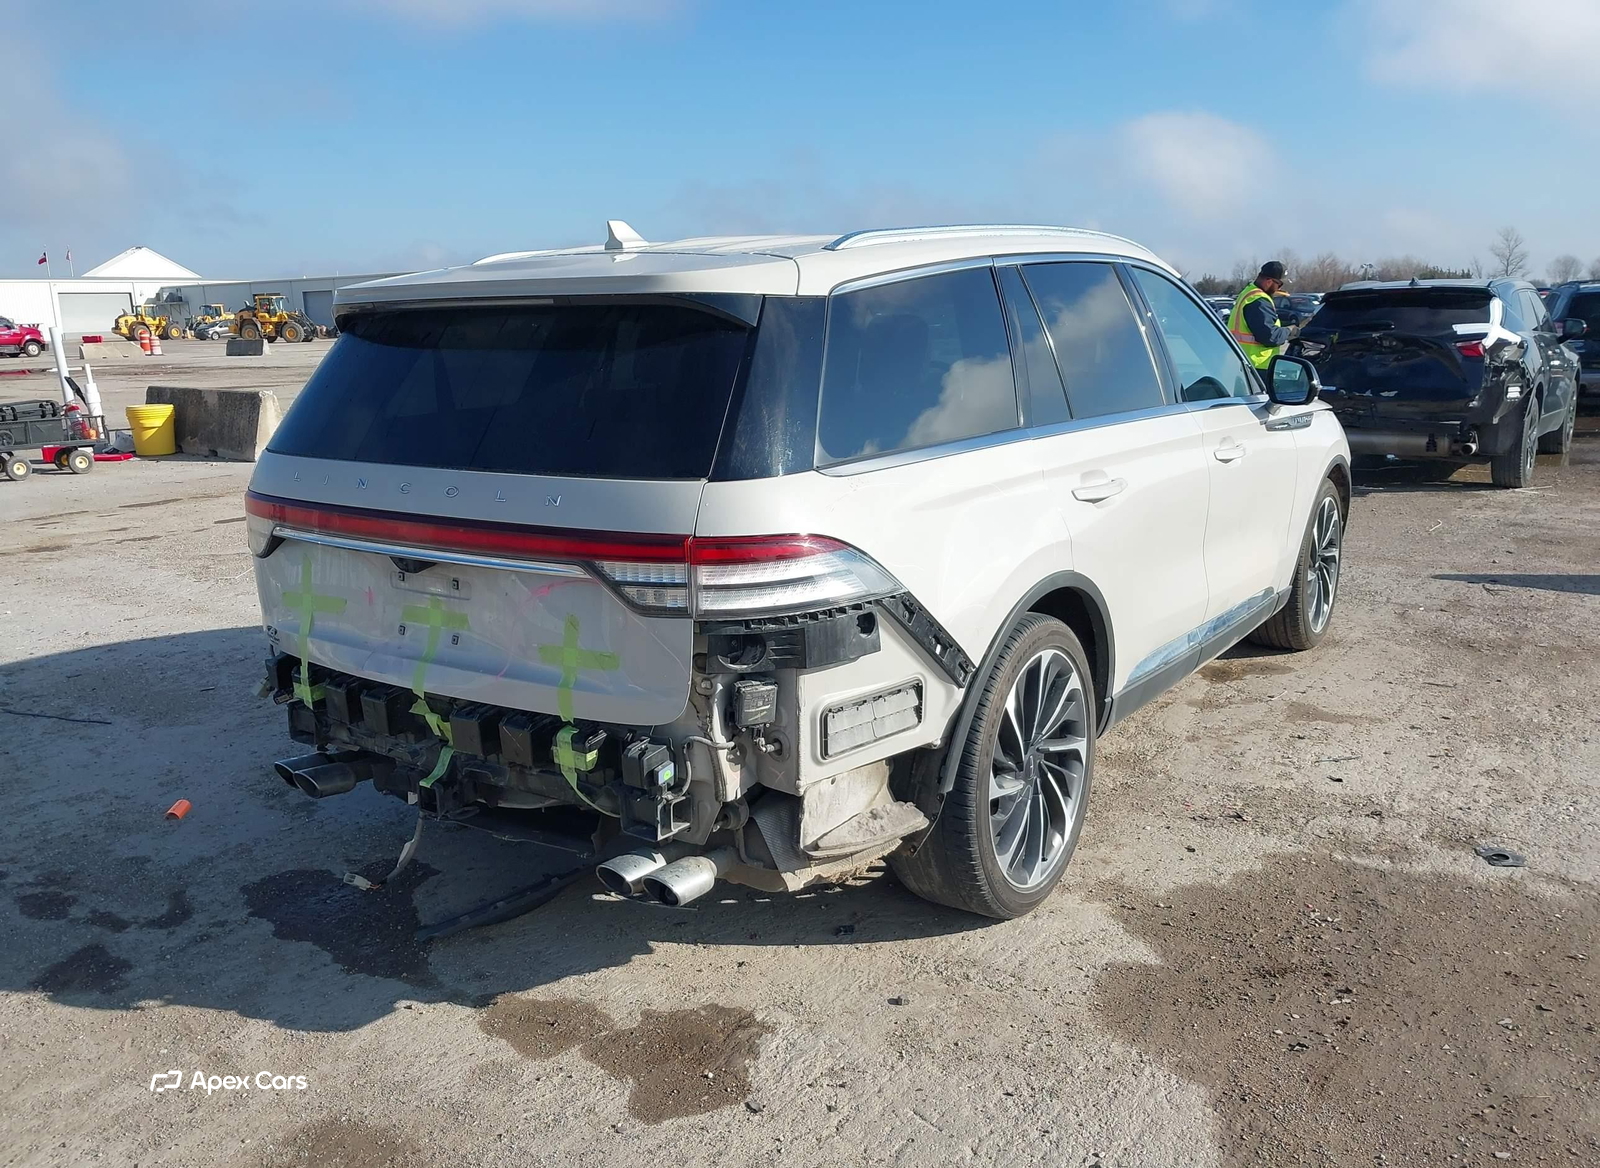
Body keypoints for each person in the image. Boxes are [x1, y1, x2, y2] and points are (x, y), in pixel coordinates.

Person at [1228, 261, 1294, 370]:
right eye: (1279, 284)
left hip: (1243, 363)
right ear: (1268, 281)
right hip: (1256, 366)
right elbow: (1269, 336)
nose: (1279, 288)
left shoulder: (1249, 293)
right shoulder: (1259, 301)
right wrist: (1289, 331)